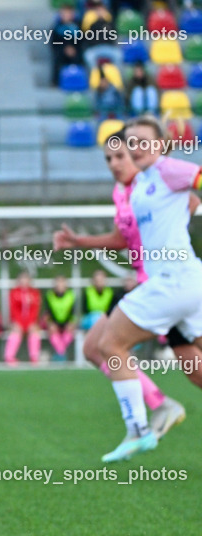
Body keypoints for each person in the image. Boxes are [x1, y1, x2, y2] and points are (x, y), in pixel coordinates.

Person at [94, 116, 202, 462]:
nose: (136, 146)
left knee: (110, 343)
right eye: (131, 141)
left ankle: (138, 430)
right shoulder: (143, 182)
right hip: (186, 281)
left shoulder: (168, 169)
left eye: (143, 140)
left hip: (173, 282)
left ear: (160, 143)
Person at [4, 271, 41, 366]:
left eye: (26, 279)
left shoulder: (35, 293)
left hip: (30, 322)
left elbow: (35, 310)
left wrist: (32, 323)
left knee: (34, 332)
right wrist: (16, 323)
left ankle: (34, 358)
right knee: (15, 333)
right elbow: (13, 309)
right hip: (18, 322)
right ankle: (9, 357)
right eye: (22, 279)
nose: (24, 281)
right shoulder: (14, 292)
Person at [44, 275, 76, 359]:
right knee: (52, 330)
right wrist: (50, 323)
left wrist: (72, 323)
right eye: (58, 283)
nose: (60, 285)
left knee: (70, 330)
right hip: (54, 322)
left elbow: (73, 313)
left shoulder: (70, 295)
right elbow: (47, 313)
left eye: (62, 283)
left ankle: (60, 354)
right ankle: (61, 354)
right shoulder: (49, 295)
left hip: (66, 322)